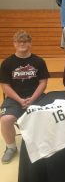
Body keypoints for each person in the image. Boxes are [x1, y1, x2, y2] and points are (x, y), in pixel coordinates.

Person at [0, 30, 49, 164]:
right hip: (15, 98)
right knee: (5, 119)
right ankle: (11, 147)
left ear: (30, 44)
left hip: (36, 96)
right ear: (14, 44)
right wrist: (20, 100)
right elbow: (5, 86)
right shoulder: (7, 63)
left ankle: (44, 143)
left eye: (25, 41)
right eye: (19, 41)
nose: (22, 44)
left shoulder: (38, 61)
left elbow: (43, 83)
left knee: (49, 114)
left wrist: (32, 99)